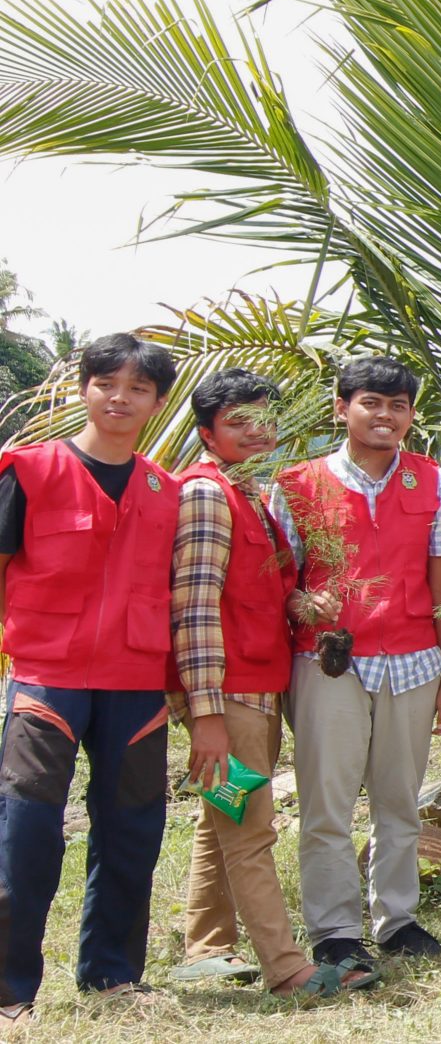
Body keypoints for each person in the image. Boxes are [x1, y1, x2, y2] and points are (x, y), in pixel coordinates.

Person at [0, 335, 184, 1018]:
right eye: (108, 383)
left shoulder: (168, 491)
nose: (121, 399)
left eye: (138, 389)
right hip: (46, 680)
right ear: (84, 387)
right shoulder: (29, 471)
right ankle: (10, 991)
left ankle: (113, 977)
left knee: (133, 830)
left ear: (157, 402)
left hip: (136, 683)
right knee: (25, 833)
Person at [271, 354, 441, 974]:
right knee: (326, 803)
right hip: (329, 664)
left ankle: (398, 918)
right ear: (342, 407)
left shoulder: (435, 483)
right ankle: (333, 929)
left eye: (398, 405)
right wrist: (305, 601)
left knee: (399, 800)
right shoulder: (296, 485)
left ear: (410, 414)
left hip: (413, 662)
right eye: (371, 403)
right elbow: (278, 583)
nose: (385, 415)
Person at [167, 369, 353, 997]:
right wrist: (205, 712)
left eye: (261, 419)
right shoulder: (206, 496)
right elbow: (193, 606)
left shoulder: (248, 492)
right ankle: (286, 968)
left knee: (220, 819)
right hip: (229, 694)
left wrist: (302, 603)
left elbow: (247, 594)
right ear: (206, 432)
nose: (254, 431)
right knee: (250, 829)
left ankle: (207, 947)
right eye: (236, 421)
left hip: (257, 687)